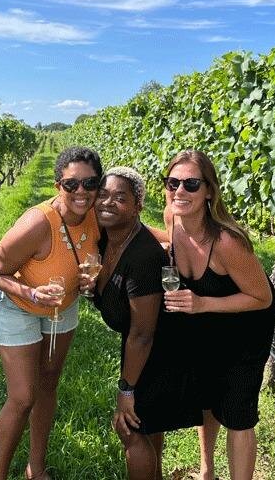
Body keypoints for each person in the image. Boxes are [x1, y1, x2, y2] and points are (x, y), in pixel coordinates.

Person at [0, 147, 103, 480]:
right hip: (16, 303)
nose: (81, 191)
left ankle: (35, 468)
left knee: (49, 382)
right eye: (71, 184)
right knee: (23, 396)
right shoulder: (37, 224)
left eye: (90, 183)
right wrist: (32, 293)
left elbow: (137, 233)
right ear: (58, 186)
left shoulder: (97, 214)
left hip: (61, 305)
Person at [161, 150, 275, 480]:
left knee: (238, 414)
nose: (180, 191)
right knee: (207, 398)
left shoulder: (227, 242)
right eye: (173, 183)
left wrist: (202, 304)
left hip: (245, 329)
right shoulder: (172, 219)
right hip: (208, 322)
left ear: (209, 191)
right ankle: (207, 472)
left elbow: (262, 298)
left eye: (191, 184)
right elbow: (165, 241)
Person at [91, 166, 201, 480]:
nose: (108, 202)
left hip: (159, 351)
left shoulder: (142, 258)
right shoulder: (106, 239)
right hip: (147, 349)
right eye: (103, 194)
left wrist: (126, 390)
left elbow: (142, 333)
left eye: (120, 198)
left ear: (137, 206)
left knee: (130, 429)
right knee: (148, 426)